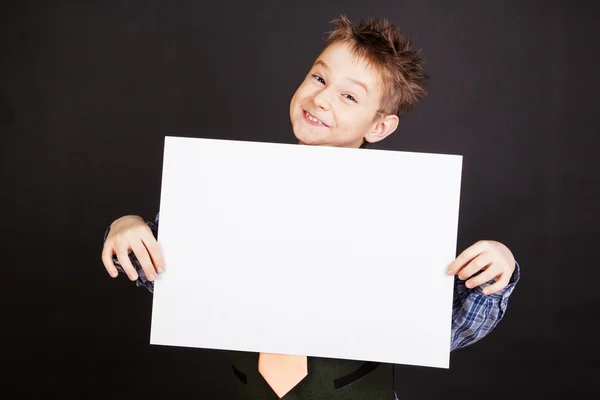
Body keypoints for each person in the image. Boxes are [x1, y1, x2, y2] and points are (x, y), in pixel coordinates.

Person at [101, 15, 520, 400]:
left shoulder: (399, 211)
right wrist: (127, 226)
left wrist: (496, 272)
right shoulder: (233, 188)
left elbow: (440, 329)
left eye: (349, 96)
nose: (321, 99)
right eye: (319, 78)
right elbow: (170, 276)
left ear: (379, 126)